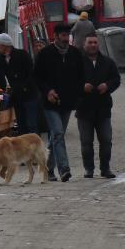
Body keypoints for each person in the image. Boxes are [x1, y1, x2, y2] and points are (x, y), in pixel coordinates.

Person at [34, 23, 84, 182]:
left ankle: (47, 170)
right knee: (58, 133)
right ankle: (64, 169)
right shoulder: (45, 54)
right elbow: (37, 77)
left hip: (67, 103)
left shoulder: (75, 54)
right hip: (50, 102)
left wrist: (77, 97)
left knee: (55, 137)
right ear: (55, 37)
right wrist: (47, 91)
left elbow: (80, 77)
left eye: (67, 35)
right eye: (62, 35)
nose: (65, 39)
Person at [76, 33, 120, 179]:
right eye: (90, 42)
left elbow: (116, 79)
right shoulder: (77, 62)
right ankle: (89, 169)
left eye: (95, 42)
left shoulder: (108, 62)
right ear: (84, 45)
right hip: (84, 109)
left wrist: (107, 86)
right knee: (86, 142)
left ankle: (105, 168)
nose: (93, 45)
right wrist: (82, 86)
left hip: (103, 109)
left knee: (106, 140)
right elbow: (69, 80)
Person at [0, 33, 39, 134]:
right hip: (17, 98)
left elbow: (32, 74)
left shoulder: (22, 55)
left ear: (4, 45)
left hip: (29, 96)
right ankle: (23, 149)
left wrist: (23, 87)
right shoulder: (2, 59)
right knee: (21, 126)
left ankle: (35, 148)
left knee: (31, 125)